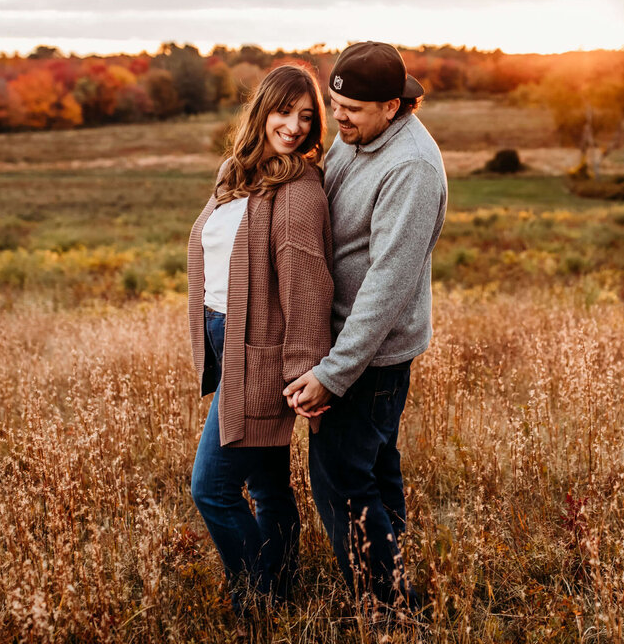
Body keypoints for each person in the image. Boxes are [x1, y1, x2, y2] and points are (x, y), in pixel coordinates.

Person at [283, 41, 447, 615]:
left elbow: (387, 286)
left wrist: (335, 373)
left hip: (369, 356)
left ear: (393, 106)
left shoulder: (411, 168)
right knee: (374, 469)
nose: (338, 119)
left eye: (351, 109)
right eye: (335, 104)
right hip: (349, 345)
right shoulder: (361, 137)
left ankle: (388, 608)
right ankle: (394, 578)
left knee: (341, 482)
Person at [187, 63, 333, 615]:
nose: (294, 127)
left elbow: (307, 286)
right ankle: (284, 583)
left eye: (305, 117)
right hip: (229, 337)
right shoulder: (235, 172)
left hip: (264, 356)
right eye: (283, 112)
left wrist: (302, 370)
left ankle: (259, 597)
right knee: (269, 485)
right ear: (261, 110)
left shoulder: (297, 187)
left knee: (212, 488)